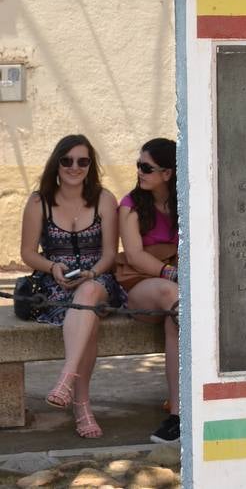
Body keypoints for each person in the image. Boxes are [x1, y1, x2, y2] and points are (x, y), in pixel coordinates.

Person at [20, 134, 123, 439]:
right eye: (67, 161)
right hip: (55, 285)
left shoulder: (105, 199)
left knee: (88, 295)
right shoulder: (39, 201)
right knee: (85, 316)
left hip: (98, 280)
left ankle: (66, 377)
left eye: (83, 161)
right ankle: (81, 406)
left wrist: (91, 273)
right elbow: (27, 253)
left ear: (91, 166)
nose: (74, 167)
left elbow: (109, 255)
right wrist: (53, 267)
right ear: (57, 163)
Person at [118, 137, 180, 445]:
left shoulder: (187, 200)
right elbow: (134, 255)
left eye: (147, 167)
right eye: (139, 165)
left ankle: (179, 415)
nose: (140, 172)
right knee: (174, 298)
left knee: (177, 316)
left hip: (178, 288)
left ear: (167, 173)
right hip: (140, 282)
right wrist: (172, 271)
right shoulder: (130, 205)